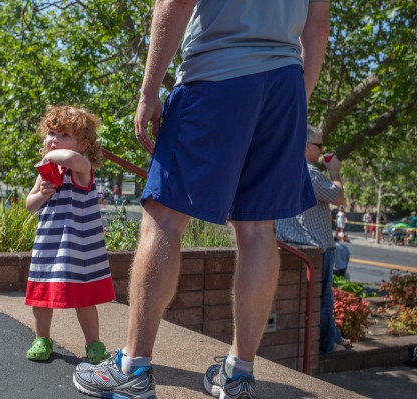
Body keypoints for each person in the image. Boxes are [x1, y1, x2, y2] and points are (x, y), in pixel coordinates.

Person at [73, 1, 330, 398]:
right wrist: (297, 100)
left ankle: (133, 368)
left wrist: (149, 90)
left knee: (164, 218)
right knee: (258, 227)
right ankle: (239, 375)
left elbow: (173, 3)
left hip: (217, 76)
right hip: (285, 87)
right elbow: (316, 28)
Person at [24, 105, 115, 365]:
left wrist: (55, 156)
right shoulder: (45, 171)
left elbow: (74, 160)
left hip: (79, 247)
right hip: (49, 244)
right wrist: (42, 193)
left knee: (83, 298)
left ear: (83, 144)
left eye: (64, 135)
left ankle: (93, 343)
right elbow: (30, 205)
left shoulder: (80, 168)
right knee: (41, 296)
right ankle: (42, 338)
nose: (54, 139)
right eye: (51, 133)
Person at [276, 125, 347, 355]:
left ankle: (333, 336)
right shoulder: (311, 172)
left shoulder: (283, 168)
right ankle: (328, 345)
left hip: (294, 244)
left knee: (317, 298)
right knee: (323, 298)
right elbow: (339, 198)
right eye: (319, 145)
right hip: (318, 246)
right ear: (306, 146)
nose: (322, 150)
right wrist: (335, 172)